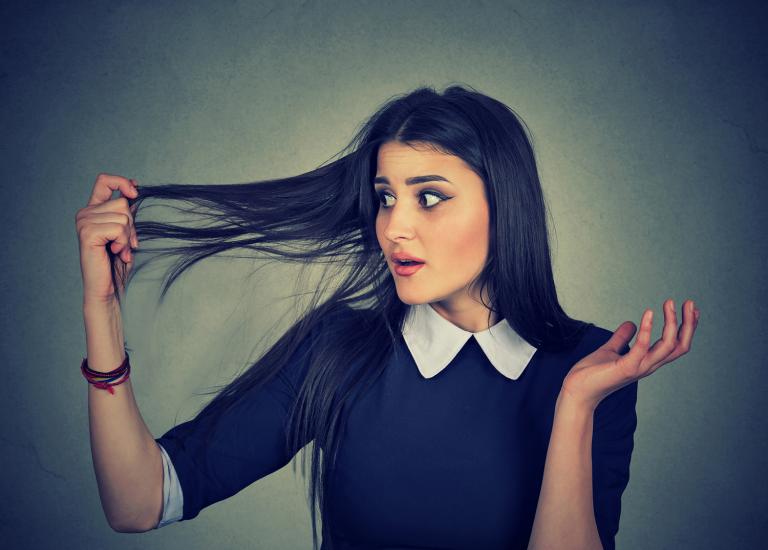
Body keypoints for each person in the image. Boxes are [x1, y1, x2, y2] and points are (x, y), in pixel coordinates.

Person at [76, 84, 700, 549]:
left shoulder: (593, 373)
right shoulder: (339, 349)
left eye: (430, 197)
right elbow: (141, 501)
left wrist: (574, 408)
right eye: (385, 199)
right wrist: (102, 309)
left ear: (505, 206)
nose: (395, 226)